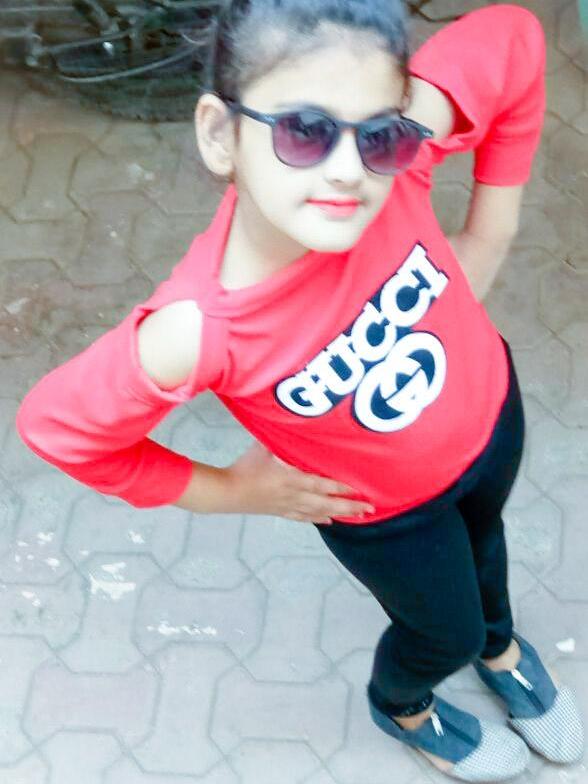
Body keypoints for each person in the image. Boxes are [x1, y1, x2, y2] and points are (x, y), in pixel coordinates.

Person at [15, 0, 585, 779]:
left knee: (486, 548)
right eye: (305, 130)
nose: (349, 168)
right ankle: (405, 705)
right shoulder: (199, 330)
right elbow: (59, 429)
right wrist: (229, 491)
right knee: (438, 631)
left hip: (492, 423)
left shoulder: (397, 163)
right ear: (221, 134)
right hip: (387, 517)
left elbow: (512, 41)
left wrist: (493, 231)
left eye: (378, 132)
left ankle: (501, 650)